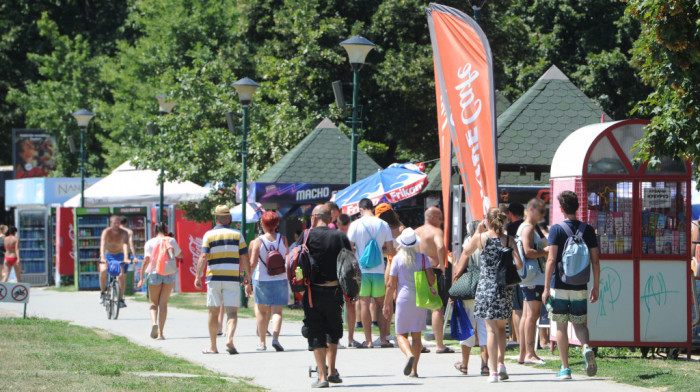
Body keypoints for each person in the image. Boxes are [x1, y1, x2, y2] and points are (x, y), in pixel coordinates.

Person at [458, 208, 522, 383]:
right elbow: (519, 265)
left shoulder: (481, 238)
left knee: (490, 330)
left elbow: (466, 252)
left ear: (487, 221)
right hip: (504, 288)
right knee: (501, 329)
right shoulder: (509, 240)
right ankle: (501, 363)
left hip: (486, 287)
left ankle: (493, 371)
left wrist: (478, 233)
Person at [542, 191, 600, 380]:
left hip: (559, 284)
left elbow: (551, 259)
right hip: (580, 285)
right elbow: (596, 261)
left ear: (561, 208)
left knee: (561, 326)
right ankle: (585, 348)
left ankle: (565, 368)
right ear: (577, 207)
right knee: (579, 324)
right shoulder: (588, 230)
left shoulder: (556, 230)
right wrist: (595, 286)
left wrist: (545, 288)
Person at [302, 204, 351, 387]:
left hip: (312, 291)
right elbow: (349, 264)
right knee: (333, 330)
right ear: (330, 218)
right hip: (335, 291)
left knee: (316, 331)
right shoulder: (339, 236)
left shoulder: (307, 235)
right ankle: (332, 371)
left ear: (314, 217)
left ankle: (322, 377)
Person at [194, 205, 252, 355]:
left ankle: (213, 346)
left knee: (213, 312)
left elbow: (203, 256)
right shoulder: (238, 235)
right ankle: (230, 339)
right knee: (232, 312)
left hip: (213, 278)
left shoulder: (208, 235)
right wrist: (248, 275)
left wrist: (198, 276)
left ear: (216, 219)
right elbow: (244, 256)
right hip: (231, 278)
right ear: (229, 219)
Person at [383, 228, 434, 377]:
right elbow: (431, 280)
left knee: (400, 334)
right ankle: (414, 370)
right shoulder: (423, 258)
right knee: (417, 336)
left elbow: (391, 285)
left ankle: (408, 355)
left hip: (403, 298)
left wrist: (386, 304)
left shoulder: (397, 259)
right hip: (419, 298)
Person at [347, 198, 396, 348]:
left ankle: (368, 341)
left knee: (364, 303)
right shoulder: (384, 224)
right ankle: (382, 338)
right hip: (379, 270)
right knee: (380, 305)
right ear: (373, 208)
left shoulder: (355, 224)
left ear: (360, 209)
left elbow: (349, 248)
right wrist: (379, 250)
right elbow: (391, 250)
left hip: (362, 270)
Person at [452, 220, 489, 376]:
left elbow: (459, 269)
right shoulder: (489, 242)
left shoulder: (469, 243)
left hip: (470, 289)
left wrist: (454, 290)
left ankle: (465, 364)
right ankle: (485, 366)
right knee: (484, 329)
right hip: (486, 288)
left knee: (467, 326)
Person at [415, 206, 453, 353]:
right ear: (432, 217)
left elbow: (400, 248)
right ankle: (439, 345)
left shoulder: (416, 231)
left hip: (418, 271)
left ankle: (418, 344)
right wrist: (443, 264)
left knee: (420, 307)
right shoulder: (436, 231)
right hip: (433, 270)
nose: (442, 221)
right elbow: (440, 246)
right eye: (439, 217)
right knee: (437, 308)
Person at [249, 211, 288, 352]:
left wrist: (247, 278)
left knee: (262, 311)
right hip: (280, 278)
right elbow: (287, 257)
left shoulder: (258, 241)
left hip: (262, 279)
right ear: (277, 224)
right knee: (277, 311)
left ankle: (262, 342)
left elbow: (253, 262)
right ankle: (276, 339)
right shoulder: (283, 239)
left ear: (262, 224)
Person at [516, 198, 549, 365]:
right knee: (532, 315)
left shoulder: (527, 227)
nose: (543, 215)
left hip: (528, 277)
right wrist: (545, 253)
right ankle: (529, 353)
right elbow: (528, 251)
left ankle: (523, 353)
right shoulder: (528, 228)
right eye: (541, 211)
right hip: (533, 277)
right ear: (531, 209)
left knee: (527, 315)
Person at [138, 222, 182, 340]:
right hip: (169, 273)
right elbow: (180, 255)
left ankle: (154, 324)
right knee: (163, 304)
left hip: (154, 273)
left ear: (154, 230)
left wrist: (141, 278)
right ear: (165, 229)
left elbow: (145, 261)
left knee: (153, 303)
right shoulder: (171, 241)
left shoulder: (149, 243)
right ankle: (161, 333)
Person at [99, 216, 129, 307]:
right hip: (107, 255)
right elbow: (103, 244)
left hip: (119, 255)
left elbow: (125, 245)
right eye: (114, 223)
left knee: (120, 276)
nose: (116, 224)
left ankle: (120, 298)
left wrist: (126, 257)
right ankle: (103, 292)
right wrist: (103, 257)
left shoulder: (124, 233)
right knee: (103, 271)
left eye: (118, 223)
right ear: (110, 223)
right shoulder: (106, 232)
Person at [506, 202, 525, 343]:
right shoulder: (528, 226)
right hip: (532, 271)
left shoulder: (511, 229)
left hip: (515, 270)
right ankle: (527, 339)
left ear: (510, 214)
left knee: (517, 307)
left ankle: (517, 338)